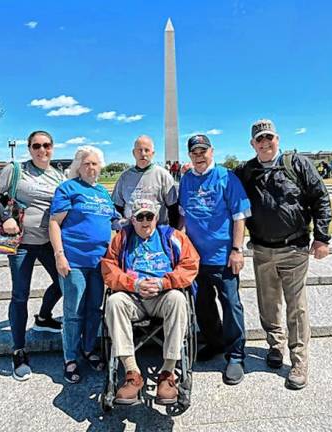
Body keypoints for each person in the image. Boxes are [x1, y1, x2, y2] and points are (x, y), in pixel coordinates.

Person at [235, 119, 332, 390]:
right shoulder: (246, 171)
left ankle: (299, 360)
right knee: (268, 303)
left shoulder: (297, 164)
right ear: (252, 144)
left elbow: (320, 198)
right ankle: (275, 346)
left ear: (277, 139)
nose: (265, 143)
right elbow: (226, 189)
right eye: (259, 140)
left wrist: (322, 237)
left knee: (296, 306)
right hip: (263, 249)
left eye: (269, 138)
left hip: (294, 248)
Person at [0, 131, 65, 381]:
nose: (42, 150)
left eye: (47, 145)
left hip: (47, 242)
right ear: (29, 149)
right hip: (21, 243)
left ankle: (43, 317)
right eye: (37, 146)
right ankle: (18, 350)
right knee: (20, 295)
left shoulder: (58, 175)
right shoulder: (15, 169)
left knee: (64, 282)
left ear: (53, 148)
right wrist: (6, 217)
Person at [101, 198, 199, 405]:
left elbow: (190, 265)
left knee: (179, 299)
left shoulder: (173, 237)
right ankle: (132, 373)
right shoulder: (122, 238)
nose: (145, 222)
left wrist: (165, 283)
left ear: (156, 218)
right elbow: (109, 269)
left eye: (149, 216)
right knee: (114, 301)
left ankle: (167, 373)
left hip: (163, 296)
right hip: (132, 297)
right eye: (140, 217)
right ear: (132, 220)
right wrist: (133, 284)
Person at [179, 134, 251, 385]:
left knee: (231, 304)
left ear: (212, 151)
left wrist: (237, 249)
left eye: (203, 151)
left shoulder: (226, 177)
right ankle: (215, 341)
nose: (199, 156)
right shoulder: (186, 179)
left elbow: (240, 215)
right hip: (196, 257)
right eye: (194, 152)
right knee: (203, 304)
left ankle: (236, 355)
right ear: (190, 155)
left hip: (223, 255)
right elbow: (184, 215)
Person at [49, 146, 119, 384]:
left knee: (94, 309)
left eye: (95, 163)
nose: (91, 167)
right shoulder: (68, 188)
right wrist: (59, 255)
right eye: (87, 163)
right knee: (73, 311)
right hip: (74, 260)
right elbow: (55, 223)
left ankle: (88, 349)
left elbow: (115, 221)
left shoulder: (102, 192)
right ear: (78, 166)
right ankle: (70, 358)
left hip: (99, 262)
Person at [111, 135, 180, 227]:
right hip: (131, 231)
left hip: (157, 231)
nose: (143, 154)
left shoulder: (163, 175)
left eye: (147, 150)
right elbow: (117, 206)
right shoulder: (125, 177)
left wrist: (172, 232)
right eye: (139, 150)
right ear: (133, 153)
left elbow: (173, 208)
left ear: (153, 153)